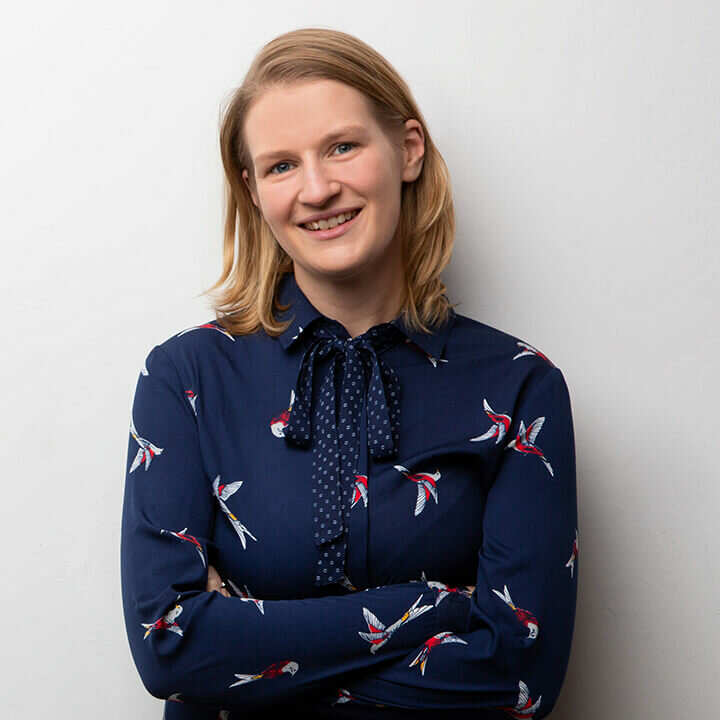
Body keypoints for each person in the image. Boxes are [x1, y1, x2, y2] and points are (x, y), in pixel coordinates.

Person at [120, 27, 578, 719]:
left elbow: (520, 678)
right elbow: (170, 651)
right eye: (281, 165)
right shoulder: (185, 379)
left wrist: (252, 654)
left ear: (408, 149)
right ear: (252, 190)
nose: (317, 189)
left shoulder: (520, 387)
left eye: (341, 147)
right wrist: (434, 607)